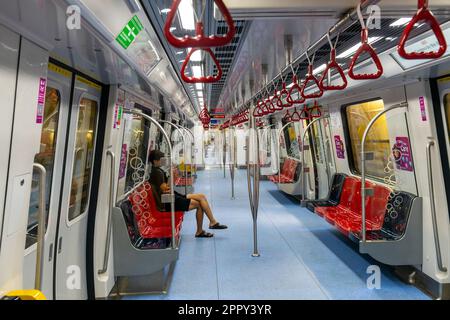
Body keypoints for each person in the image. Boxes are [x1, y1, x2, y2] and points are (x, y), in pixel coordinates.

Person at [148, 150, 228, 238]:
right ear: (155, 161)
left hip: (171, 196)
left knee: (202, 196)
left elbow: (167, 187)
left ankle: (212, 222)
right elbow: (166, 189)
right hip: (167, 201)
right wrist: (172, 176)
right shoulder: (157, 173)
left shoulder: (158, 170)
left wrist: (173, 177)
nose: (164, 161)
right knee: (199, 204)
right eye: (161, 159)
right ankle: (203, 228)